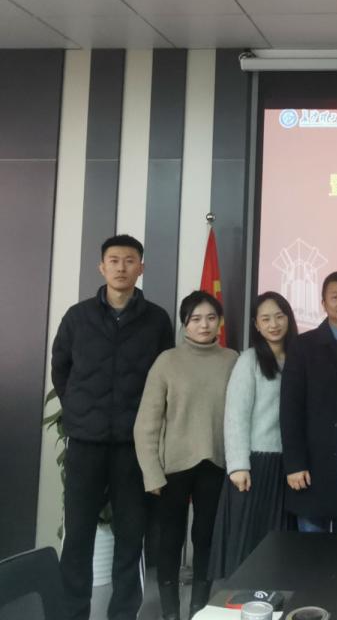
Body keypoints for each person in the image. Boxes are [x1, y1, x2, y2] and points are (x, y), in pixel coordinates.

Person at [51, 234, 174, 620]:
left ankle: (123, 614)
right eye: (114, 260)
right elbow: (61, 368)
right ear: (102, 267)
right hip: (85, 442)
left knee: (131, 535)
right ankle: (73, 613)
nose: (122, 267)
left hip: (132, 446)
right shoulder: (78, 317)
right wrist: (78, 411)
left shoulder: (156, 320)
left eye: (130, 260)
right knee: (78, 535)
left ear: (141, 267)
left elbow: (164, 378)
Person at [134, 290, 238, 620]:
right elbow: (146, 424)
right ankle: (170, 613)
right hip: (173, 468)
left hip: (216, 464)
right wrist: (151, 472)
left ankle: (199, 608)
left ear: (219, 322)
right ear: (184, 324)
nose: (204, 325)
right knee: (170, 539)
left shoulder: (232, 360)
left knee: (205, 539)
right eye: (196, 319)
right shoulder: (167, 361)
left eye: (211, 318)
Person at [209, 291, 299, 579]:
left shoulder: (299, 358)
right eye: (266, 319)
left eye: (279, 316)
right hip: (256, 465)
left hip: (289, 465)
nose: (274, 324)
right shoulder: (249, 360)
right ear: (256, 325)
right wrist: (238, 465)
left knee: (281, 543)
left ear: (289, 318)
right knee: (249, 540)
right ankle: (240, 598)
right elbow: (235, 415)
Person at [280, 271, 337, 533]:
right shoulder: (302, 345)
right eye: (335, 296)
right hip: (313, 464)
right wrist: (295, 464)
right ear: (323, 303)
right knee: (312, 542)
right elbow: (290, 409)